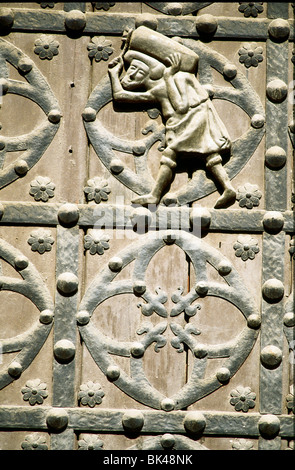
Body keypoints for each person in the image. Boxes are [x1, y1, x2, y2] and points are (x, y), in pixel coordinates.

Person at [108, 41, 236, 209]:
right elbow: (119, 96)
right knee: (209, 155)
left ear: (149, 74)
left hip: (189, 121)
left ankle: (155, 196)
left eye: (137, 71)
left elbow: (181, 107)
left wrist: (168, 77)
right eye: (131, 70)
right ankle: (228, 188)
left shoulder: (165, 85)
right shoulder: (159, 89)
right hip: (184, 123)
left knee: (171, 154)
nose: (130, 76)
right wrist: (113, 73)